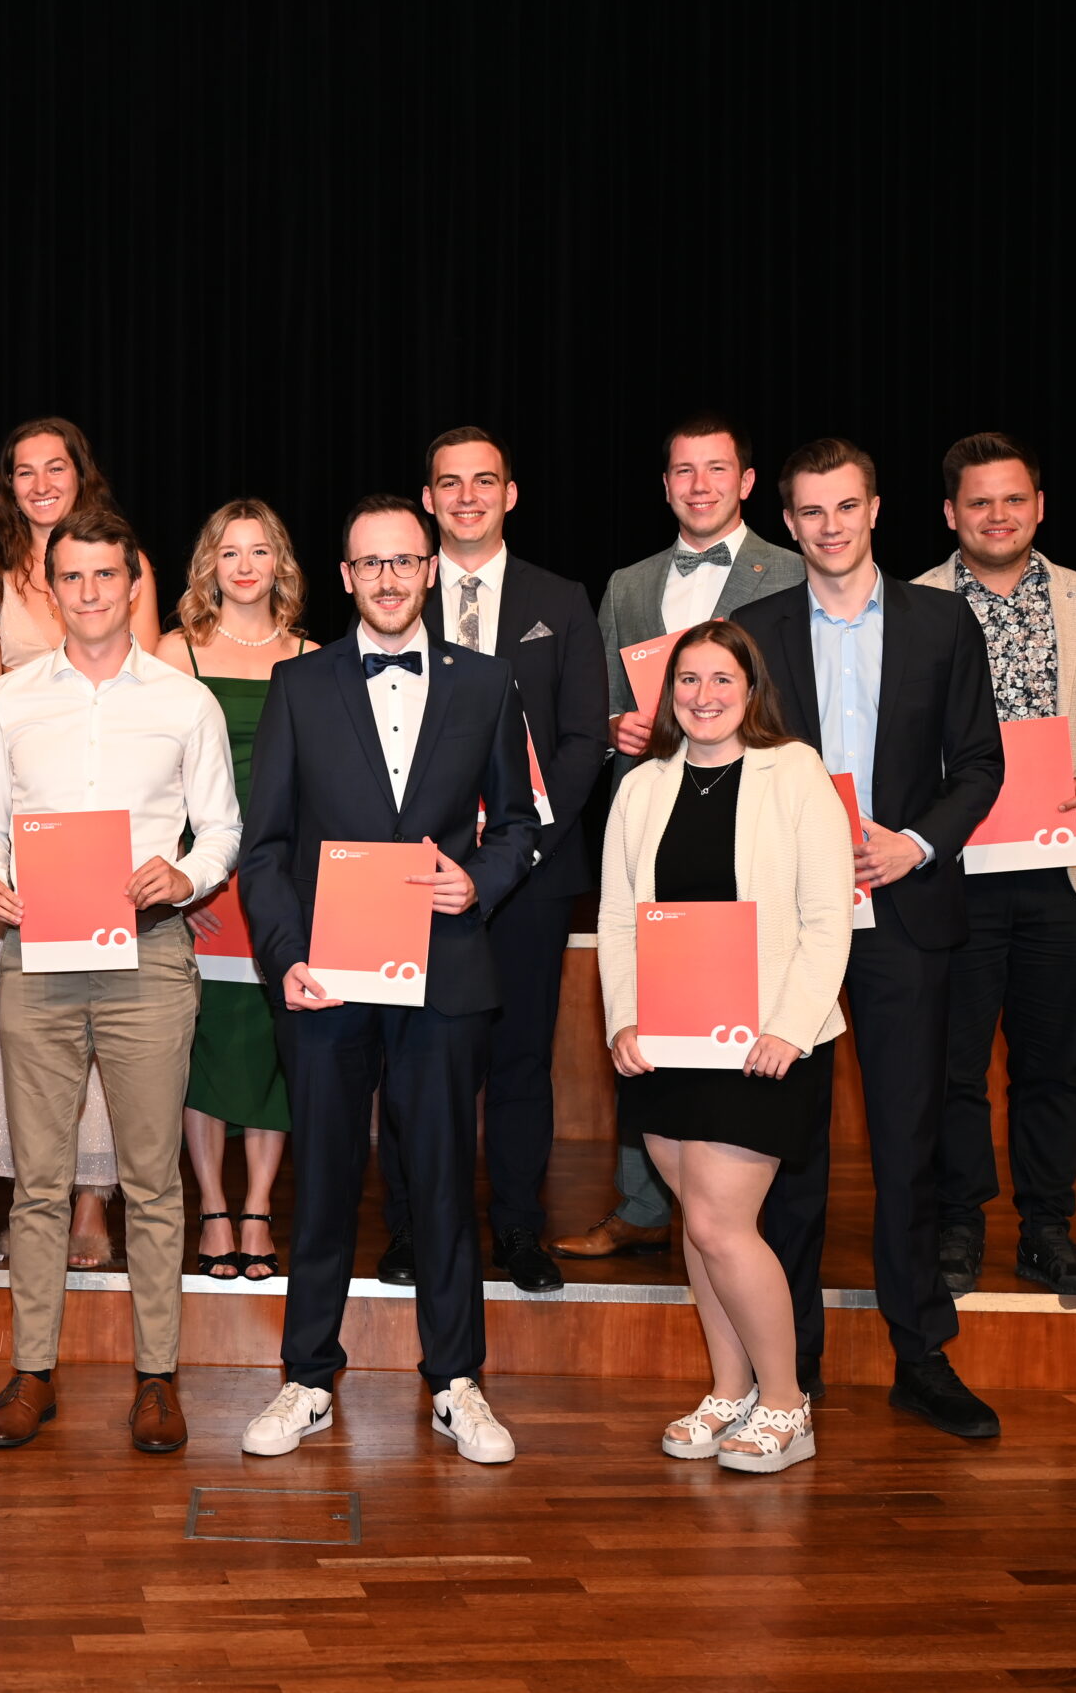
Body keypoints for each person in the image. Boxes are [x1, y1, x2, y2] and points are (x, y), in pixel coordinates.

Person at [234, 496, 535, 1468]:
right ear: (345, 574)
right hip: (328, 978)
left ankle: (457, 1380)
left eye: (406, 561)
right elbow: (267, 844)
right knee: (321, 1185)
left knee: (445, 1183)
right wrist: (287, 957)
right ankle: (307, 1376)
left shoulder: (487, 684)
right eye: (371, 564)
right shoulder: (297, 684)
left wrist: (478, 879)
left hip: (443, 973)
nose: (390, 578)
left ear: (431, 570)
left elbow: (522, 823)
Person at [733, 438, 1007, 1440]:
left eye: (845, 506)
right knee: (788, 1151)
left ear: (877, 509)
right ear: (790, 522)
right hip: (791, 925)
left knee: (909, 1142)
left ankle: (919, 1354)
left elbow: (979, 763)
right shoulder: (754, 630)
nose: (829, 526)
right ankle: (787, 1357)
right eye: (810, 511)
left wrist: (916, 842)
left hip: (904, 911)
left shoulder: (943, 623)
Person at [0, 507, 240, 1455]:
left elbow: (225, 828)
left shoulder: (183, 700)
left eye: (104, 578)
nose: (88, 594)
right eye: (70, 578)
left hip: (148, 954)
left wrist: (189, 873)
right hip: (36, 955)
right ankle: (32, 1370)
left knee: (152, 1181)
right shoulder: (9, 699)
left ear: (132, 585)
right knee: (39, 1184)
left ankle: (156, 1377)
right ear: (53, 587)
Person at [599, 621, 852, 1474]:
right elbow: (618, 922)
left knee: (720, 1220)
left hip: (765, 1043)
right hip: (668, 1039)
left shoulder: (796, 772)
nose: (703, 696)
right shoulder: (641, 787)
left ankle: (787, 1404)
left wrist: (790, 1025)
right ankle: (730, 1389)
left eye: (721, 679)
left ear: (752, 688)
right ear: (667, 694)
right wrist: (622, 1021)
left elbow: (828, 917)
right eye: (687, 681)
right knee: (698, 1229)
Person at [914, 433, 1076, 1296]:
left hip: (1066, 875)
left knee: (1052, 1067)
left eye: (1012, 499)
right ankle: (958, 1225)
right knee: (952, 1066)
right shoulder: (910, 605)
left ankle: (1047, 1229)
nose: (997, 515)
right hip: (955, 879)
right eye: (978, 502)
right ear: (951, 514)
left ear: (1039, 506)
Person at [560, 416, 807, 1264]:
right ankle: (642, 1205)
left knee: (756, 1016)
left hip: (757, 822)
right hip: (660, 815)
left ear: (745, 481)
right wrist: (614, 727)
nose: (699, 485)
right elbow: (588, 701)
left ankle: (741, 1210)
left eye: (716, 470)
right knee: (652, 1023)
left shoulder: (795, 571)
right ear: (665, 486)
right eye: (681, 472)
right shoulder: (629, 582)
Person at [382, 429, 605, 1294]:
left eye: (484, 481)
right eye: (449, 483)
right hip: (417, 874)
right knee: (414, 1058)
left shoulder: (563, 599)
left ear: (511, 494)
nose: (467, 496)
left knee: (519, 1060)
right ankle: (409, 1228)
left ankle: (517, 1227)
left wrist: (523, 847)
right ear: (428, 498)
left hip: (533, 873)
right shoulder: (396, 593)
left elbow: (585, 741)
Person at [0, 417, 159, 1266]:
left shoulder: (127, 559)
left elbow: (141, 687)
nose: (41, 482)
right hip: (24, 821)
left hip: (110, 829)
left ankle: (93, 1201)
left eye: (56, 467)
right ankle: (39, 1189)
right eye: (24, 471)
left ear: (82, 475)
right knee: (39, 1025)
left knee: (110, 1022)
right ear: (9, 483)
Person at [152, 499, 310, 1283]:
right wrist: (185, 876)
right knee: (206, 1044)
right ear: (208, 563)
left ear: (280, 562)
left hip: (282, 881)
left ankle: (258, 1205)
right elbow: (152, 778)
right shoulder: (173, 652)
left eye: (260, 551)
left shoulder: (315, 653)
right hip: (200, 881)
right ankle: (213, 1204)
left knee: (275, 1046)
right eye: (229, 552)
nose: (245, 566)